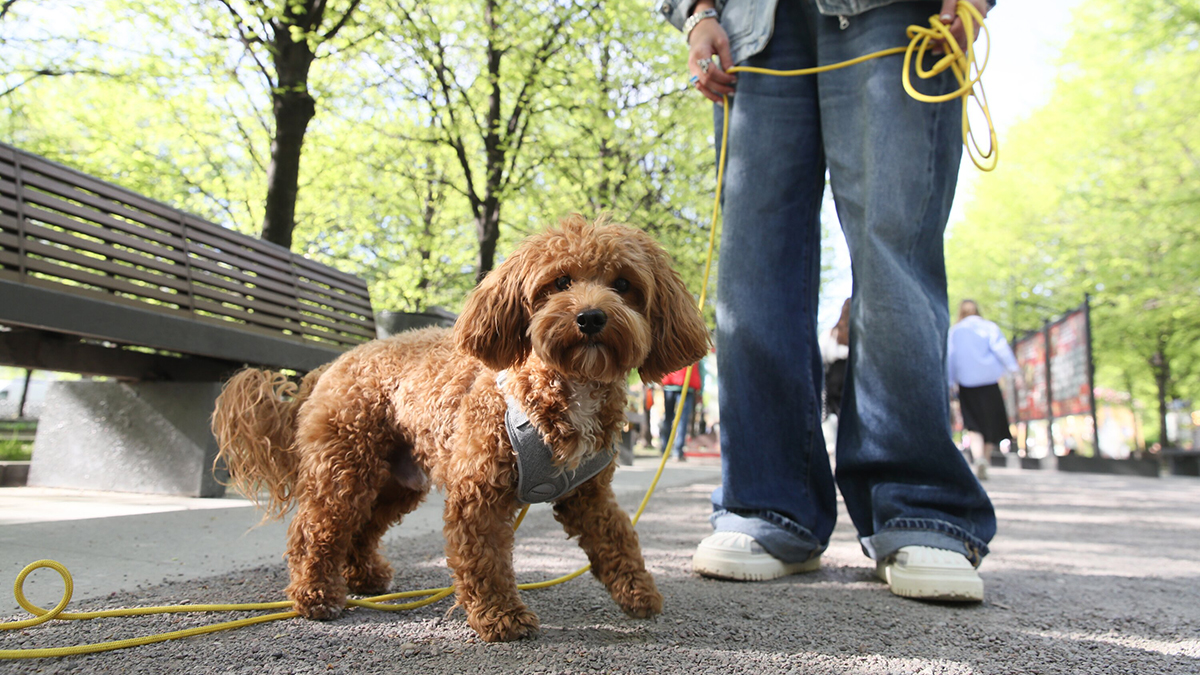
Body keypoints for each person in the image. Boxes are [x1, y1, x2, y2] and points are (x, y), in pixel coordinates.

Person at [657, 0, 997, 601]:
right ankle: (767, 502)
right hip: (754, 25)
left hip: (899, 14)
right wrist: (695, 11)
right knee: (752, 264)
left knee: (893, 252)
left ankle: (919, 507)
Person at [947, 300, 1021, 480]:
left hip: (966, 383)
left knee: (974, 424)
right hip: (989, 381)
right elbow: (1001, 348)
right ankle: (985, 460)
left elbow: (950, 357)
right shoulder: (989, 327)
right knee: (990, 423)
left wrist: (950, 382)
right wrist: (1014, 370)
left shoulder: (955, 331)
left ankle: (979, 458)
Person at [660, 361, 704, 461]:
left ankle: (665, 449)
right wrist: (700, 391)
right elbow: (701, 369)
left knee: (668, 418)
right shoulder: (695, 351)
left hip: (671, 383)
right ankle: (677, 452)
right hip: (685, 384)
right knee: (682, 420)